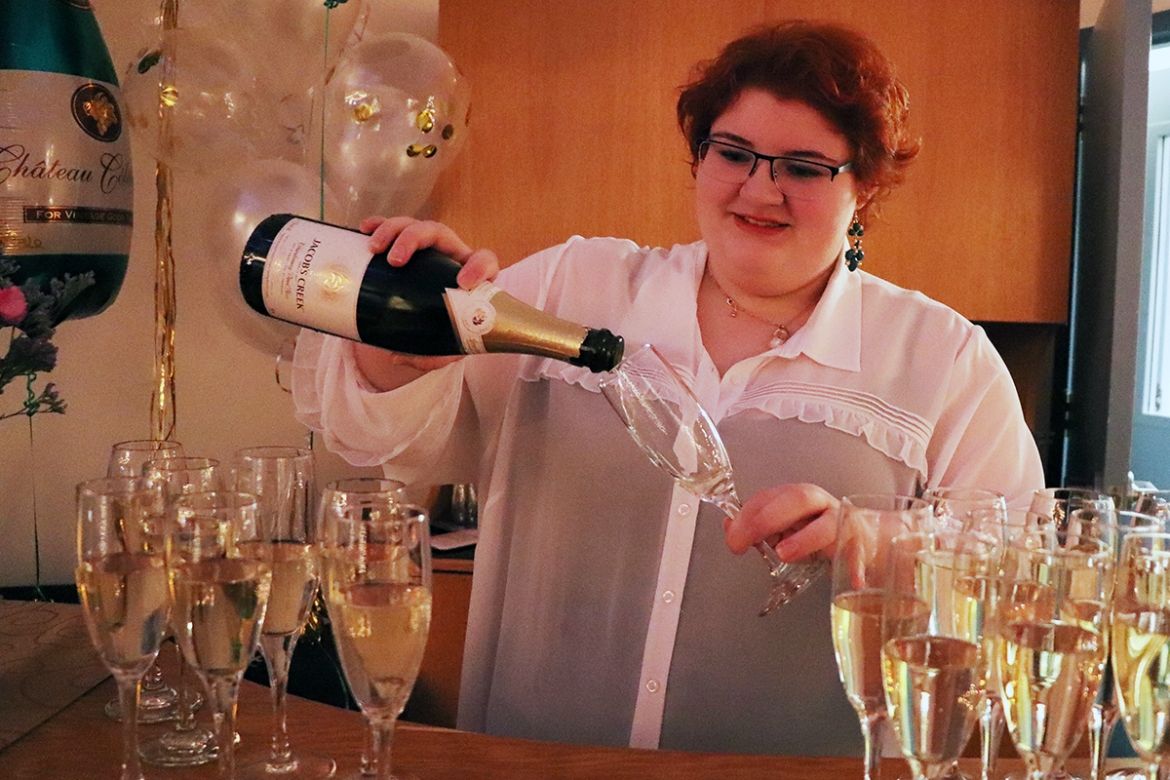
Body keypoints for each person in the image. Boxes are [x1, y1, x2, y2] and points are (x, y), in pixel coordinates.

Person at [293, 20, 1044, 755]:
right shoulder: (572, 284)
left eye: (804, 167)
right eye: (735, 153)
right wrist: (404, 340)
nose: (761, 188)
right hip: (531, 762)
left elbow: (1022, 569)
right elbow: (380, 436)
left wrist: (871, 537)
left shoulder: (942, 357)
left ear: (866, 185)